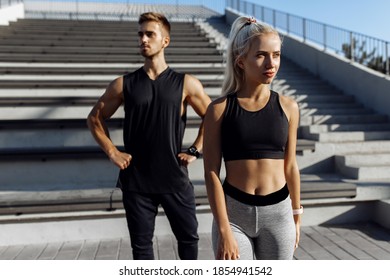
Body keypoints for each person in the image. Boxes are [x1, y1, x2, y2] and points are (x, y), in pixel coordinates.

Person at [87, 12, 211, 260]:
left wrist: (196, 150)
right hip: (137, 183)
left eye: (149, 34)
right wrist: (112, 152)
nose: (143, 39)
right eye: (140, 34)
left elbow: (214, 117)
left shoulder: (186, 83)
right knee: (141, 248)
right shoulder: (124, 84)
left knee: (189, 240)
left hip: (175, 178)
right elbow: (94, 118)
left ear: (165, 40)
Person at [203, 16, 302, 260]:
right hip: (234, 216)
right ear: (241, 61)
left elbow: (290, 165)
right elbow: (211, 173)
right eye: (261, 55)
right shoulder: (219, 109)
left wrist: (296, 215)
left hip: (279, 215)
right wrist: (224, 229)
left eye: (276, 55)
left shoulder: (289, 107)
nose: (271, 63)